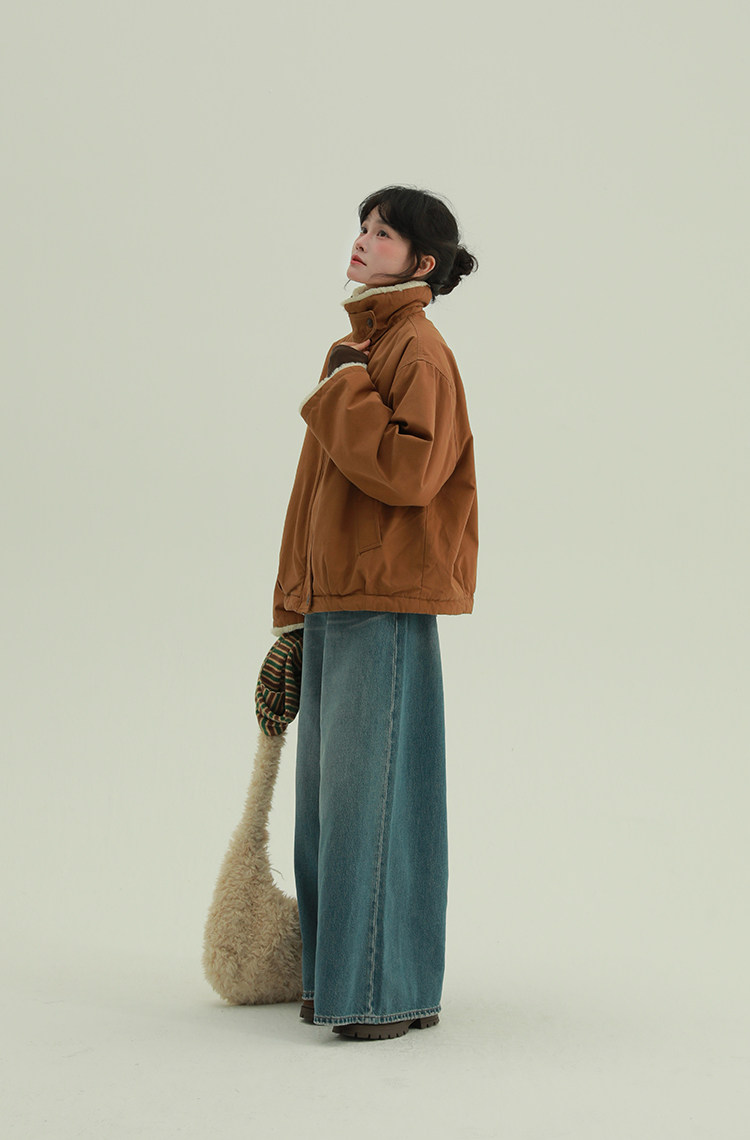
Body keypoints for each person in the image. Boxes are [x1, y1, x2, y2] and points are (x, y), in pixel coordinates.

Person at [271, 185, 479, 1040]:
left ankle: (381, 994)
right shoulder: (365, 346)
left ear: (421, 262)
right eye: (362, 227)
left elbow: (409, 474)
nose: (362, 240)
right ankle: (340, 982)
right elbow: (317, 497)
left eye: (383, 233)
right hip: (340, 598)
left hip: (380, 599)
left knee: (373, 799)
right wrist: (292, 608)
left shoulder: (413, 350)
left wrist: (347, 388)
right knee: (331, 806)